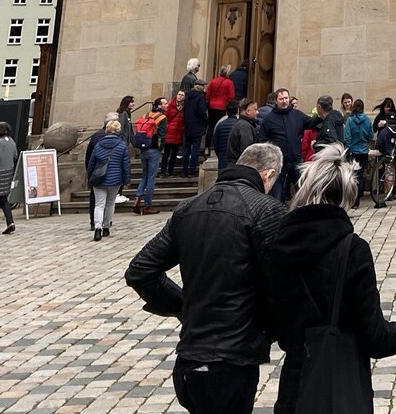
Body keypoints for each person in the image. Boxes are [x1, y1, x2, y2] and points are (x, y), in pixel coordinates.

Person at [267, 145, 396, 412]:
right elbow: (376, 338)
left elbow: (276, 326)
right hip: (339, 389)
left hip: (296, 389)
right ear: (345, 197)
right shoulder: (352, 249)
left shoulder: (278, 244)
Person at [126, 143, 286, 414]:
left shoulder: (188, 207)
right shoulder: (267, 210)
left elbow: (140, 271)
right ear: (269, 175)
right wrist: (270, 329)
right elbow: (282, 285)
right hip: (232, 362)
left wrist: (183, 306)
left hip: (189, 358)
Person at [261, 88, 318, 201]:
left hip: (295, 160)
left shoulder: (297, 115)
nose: (284, 101)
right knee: (277, 195)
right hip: (278, 164)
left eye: (286, 98)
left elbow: (313, 123)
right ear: (276, 101)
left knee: (305, 192)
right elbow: (262, 140)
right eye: (281, 99)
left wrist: (322, 115)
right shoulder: (269, 119)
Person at [87, 115, 132, 241]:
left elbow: (91, 163)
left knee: (99, 204)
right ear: (118, 131)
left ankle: (97, 228)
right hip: (115, 178)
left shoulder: (98, 144)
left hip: (99, 178)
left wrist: (89, 178)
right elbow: (126, 164)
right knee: (110, 203)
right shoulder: (122, 146)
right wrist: (127, 179)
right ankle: (106, 226)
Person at [133, 98, 167, 215]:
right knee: (151, 178)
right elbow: (162, 136)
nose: (167, 105)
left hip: (143, 149)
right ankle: (148, 205)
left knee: (144, 176)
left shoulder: (146, 114)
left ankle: (137, 198)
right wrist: (161, 149)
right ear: (159, 105)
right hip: (153, 150)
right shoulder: (162, 118)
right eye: (165, 103)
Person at [372, 97, 396, 204]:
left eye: (389, 107)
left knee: (392, 172)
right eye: (386, 107)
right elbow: (374, 128)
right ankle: (389, 191)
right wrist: (378, 125)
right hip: (392, 149)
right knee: (389, 171)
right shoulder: (380, 117)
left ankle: (394, 192)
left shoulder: (395, 118)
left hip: (389, 148)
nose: (387, 109)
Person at [344, 98, 375, 202]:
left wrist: (349, 148)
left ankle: (354, 199)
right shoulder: (367, 120)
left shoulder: (350, 120)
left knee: (352, 175)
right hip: (363, 151)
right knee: (360, 175)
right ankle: (359, 196)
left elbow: (347, 137)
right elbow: (371, 136)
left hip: (353, 151)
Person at [0, 121, 18, 234]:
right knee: (3, 200)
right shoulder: (12, 142)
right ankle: (10, 222)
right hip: (7, 174)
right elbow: (15, 155)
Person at [204, 67, 236, 155]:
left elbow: (207, 94)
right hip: (222, 107)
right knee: (220, 126)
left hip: (212, 106)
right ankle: (215, 146)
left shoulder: (214, 81)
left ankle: (207, 147)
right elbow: (231, 96)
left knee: (210, 127)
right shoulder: (229, 83)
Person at [181, 83, 209, 180]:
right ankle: (192, 169)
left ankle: (184, 170)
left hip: (188, 125)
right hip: (197, 125)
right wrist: (206, 120)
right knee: (195, 149)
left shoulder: (188, 96)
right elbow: (202, 111)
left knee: (187, 149)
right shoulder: (201, 97)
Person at [225, 99, 261, 164]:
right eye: (255, 109)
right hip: (242, 167)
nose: (258, 112)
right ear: (248, 111)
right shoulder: (244, 127)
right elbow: (248, 152)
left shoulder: (243, 124)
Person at [161, 91, 185, 178]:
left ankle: (170, 171)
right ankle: (163, 171)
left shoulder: (184, 107)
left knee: (174, 155)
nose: (180, 96)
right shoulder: (171, 105)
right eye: (179, 94)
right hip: (170, 132)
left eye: (182, 95)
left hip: (178, 133)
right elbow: (166, 117)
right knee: (166, 154)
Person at [212, 100, 240, 171]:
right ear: (237, 111)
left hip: (222, 162)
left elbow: (215, 145)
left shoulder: (220, 125)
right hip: (235, 163)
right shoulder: (239, 124)